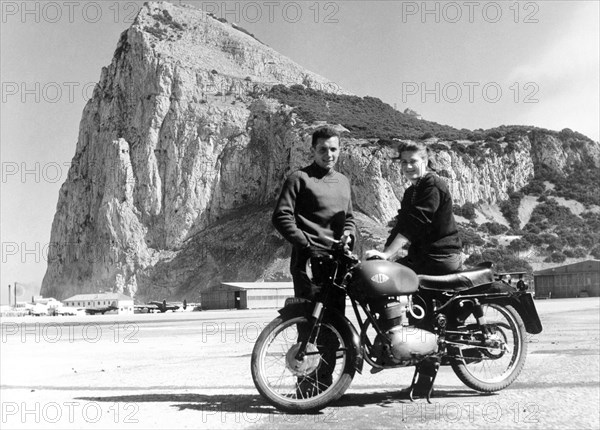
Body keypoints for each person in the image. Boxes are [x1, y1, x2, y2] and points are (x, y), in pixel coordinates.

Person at [272, 125, 356, 395]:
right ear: (313, 150)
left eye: (333, 149)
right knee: (310, 324)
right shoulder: (299, 178)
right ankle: (305, 387)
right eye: (322, 149)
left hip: (336, 264)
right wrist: (306, 245)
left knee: (334, 327)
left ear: (339, 150)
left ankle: (324, 387)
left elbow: (350, 220)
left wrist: (349, 237)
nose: (328, 154)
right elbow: (282, 216)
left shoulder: (343, 181)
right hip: (308, 264)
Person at [366, 141, 462, 275]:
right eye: (404, 162)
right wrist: (383, 256)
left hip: (440, 257)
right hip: (421, 257)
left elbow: (414, 223)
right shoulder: (411, 191)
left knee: (387, 278)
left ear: (425, 160)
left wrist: (387, 254)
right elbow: (401, 225)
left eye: (413, 161)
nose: (408, 166)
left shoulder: (432, 185)